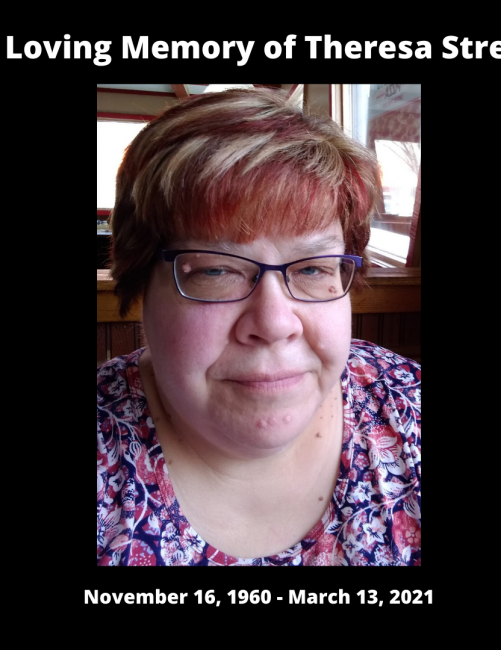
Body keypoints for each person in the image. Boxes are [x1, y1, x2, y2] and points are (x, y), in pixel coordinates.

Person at [97, 87, 421, 566]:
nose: (273, 324)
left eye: (312, 268)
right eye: (215, 270)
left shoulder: (409, 407)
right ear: (140, 283)